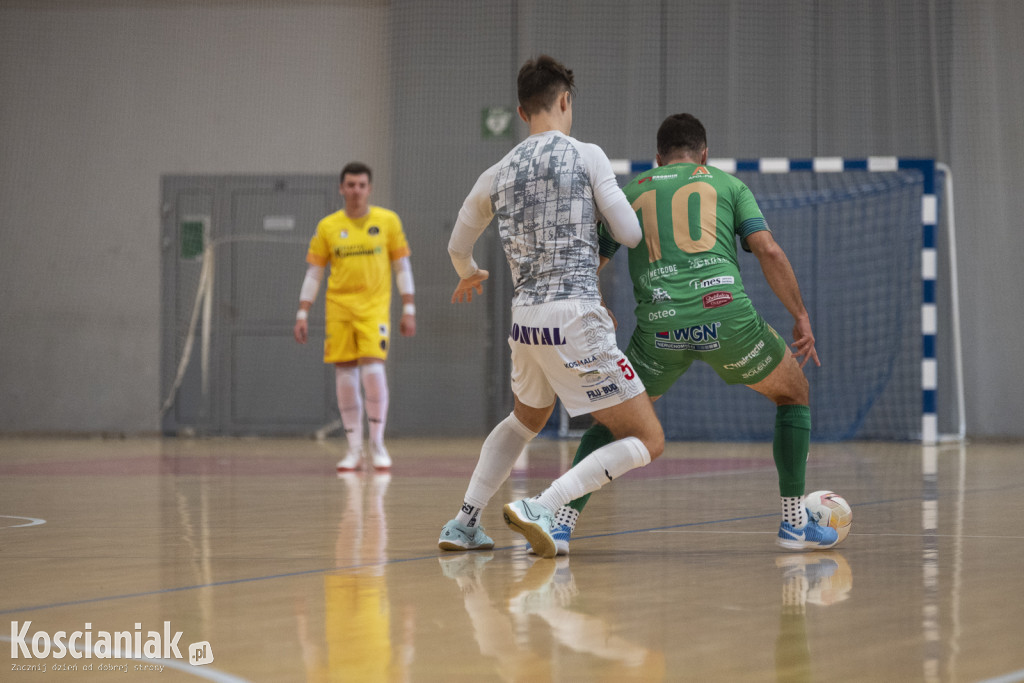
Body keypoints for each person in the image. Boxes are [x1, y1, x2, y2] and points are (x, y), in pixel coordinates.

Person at [551, 112, 838, 554]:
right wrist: (800, 315)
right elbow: (769, 250)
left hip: (659, 331)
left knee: (616, 418)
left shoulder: (630, 192)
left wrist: (598, 311)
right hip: (727, 321)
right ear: (704, 154)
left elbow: (589, 266)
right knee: (793, 393)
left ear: (658, 157)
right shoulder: (728, 185)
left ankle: (560, 523)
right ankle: (794, 524)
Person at [437, 55, 665, 559]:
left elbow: (457, 246)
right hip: (574, 315)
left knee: (525, 419)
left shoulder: (496, 172)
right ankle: (544, 504)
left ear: (522, 112)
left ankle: (464, 521)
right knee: (648, 439)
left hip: (526, 323)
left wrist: (469, 274)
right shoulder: (587, 155)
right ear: (565, 101)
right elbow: (628, 233)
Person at [294, 162, 416, 471]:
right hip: (339, 309)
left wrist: (409, 307)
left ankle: (376, 443)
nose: (356, 190)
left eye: (361, 185)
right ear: (341, 188)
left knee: (373, 373)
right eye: (350, 185)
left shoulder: (388, 221)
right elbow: (314, 272)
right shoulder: (328, 226)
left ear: (369, 188)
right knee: (345, 378)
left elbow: (402, 267)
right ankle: (353, 448)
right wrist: (302, 312)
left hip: (374, 309)